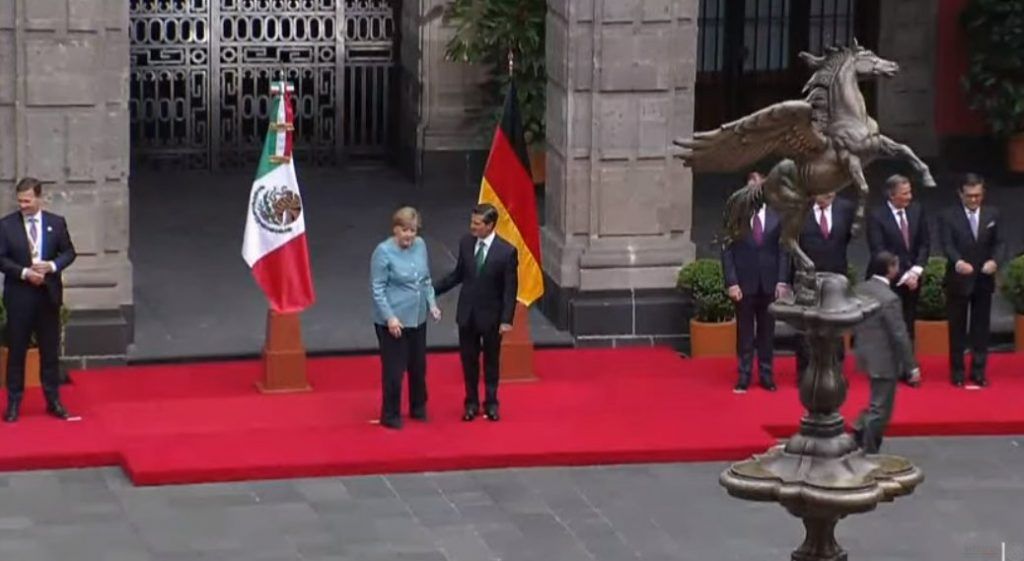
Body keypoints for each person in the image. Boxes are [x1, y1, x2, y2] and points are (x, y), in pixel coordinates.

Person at [0, 177, 77, 422]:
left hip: (47, 295)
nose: (23, 205)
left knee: (49, 351)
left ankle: (53, 400)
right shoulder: (6, 226)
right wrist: (24, 273)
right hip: (20, 296)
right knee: (17, 352)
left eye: (28, 200)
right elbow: (1, 259)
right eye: (20, 200)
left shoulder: (56, 223)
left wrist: (52, 266)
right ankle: (13, 402)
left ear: (39, 198)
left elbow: (69, 252)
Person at [434, 203, 518, 422]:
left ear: (490, 225)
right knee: (468, 361)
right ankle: (470, 403)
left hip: (492, 317)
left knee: (491, 362)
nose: (472, 227)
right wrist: (432, 291)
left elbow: (510, 289)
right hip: (467, 314)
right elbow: (458, 274)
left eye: (477, 224)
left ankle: (491, 403)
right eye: (472, 222)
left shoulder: (507, 251)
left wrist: (507, 319)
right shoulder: (466, 243)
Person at [370, 207, 441, 429]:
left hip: (417, 318)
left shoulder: (421, 246)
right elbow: (377, 288)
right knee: (394, 369)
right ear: (395, 229)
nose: (409, 235)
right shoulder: (383, 252)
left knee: (418, 366)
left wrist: (432, 304)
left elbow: (426, 280)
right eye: (405, 230)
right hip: (394, 322)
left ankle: (418, 407)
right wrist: (390, 318)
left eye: (413, 230)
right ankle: (390, 414)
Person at [722, 172, 789, 393]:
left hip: (769, 284)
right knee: (745, 334)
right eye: (752, 188)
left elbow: (783, 251)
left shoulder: (777, 215)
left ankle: (767, 375)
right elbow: (727, 252)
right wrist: (731, 282)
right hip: (744, 285)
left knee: (767, 333)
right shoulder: (735, 216)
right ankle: (744, 375)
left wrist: (782, 281)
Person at [940, 173, 1005, 388]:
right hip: (959, 279)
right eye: (970, 196)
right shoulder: (948, 215)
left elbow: (1000, 243)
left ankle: (978, 371)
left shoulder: (992, 214)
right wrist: (958, 262)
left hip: (983, 280)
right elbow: (947, 244)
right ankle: (957, 371)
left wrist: (995, 261)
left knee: (981, 328)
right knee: (957, 327)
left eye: (978, 195)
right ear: (961, 194)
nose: (974, 200)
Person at [851, 251, 920, 454]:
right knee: (881, 409)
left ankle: (859, 430)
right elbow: (899, 335)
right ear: (890, 269)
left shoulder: (859, 289)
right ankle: (869, 449)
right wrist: (912, 367)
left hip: (865, 353)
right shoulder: (890, 299)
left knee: (875, 403)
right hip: (884, 358)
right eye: (896, 266)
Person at [866, 174, 929, 387]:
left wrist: (916, 271)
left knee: (907, 324)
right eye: (904, 193)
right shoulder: (876, 215)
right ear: (891, 195)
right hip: (887, 281)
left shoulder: (917, 210)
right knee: (886, 326)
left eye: (910, 192)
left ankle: (908, 368)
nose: (909, 197)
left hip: (913, 278)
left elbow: (924, 243)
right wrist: (902, 274)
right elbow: (878, 249)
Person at [795, 191, 855, 383]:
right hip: (808, 278)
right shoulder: (799, 210)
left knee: (835, 325)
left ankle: (835, 371)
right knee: (806, 326)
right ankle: (806, 372)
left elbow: (847, 238)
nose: (829, 192)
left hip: (836, 275)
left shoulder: (845, 208)